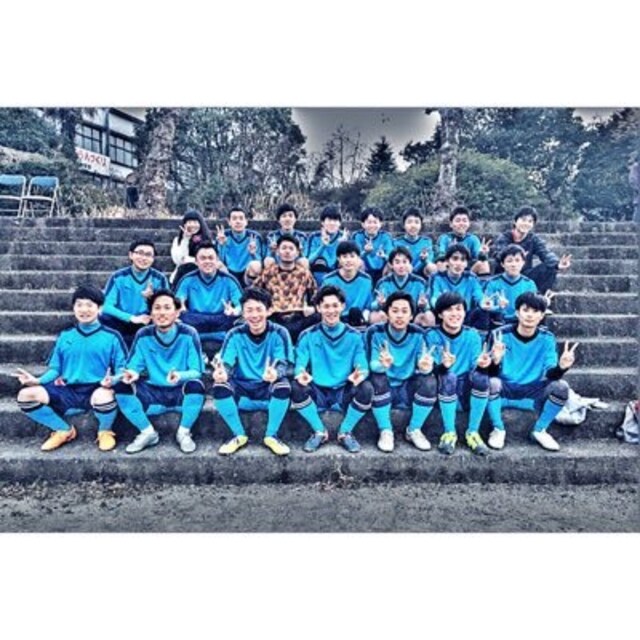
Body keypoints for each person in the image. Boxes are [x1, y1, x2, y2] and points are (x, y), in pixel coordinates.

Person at [15, 285, 127, 452]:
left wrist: (112, 380)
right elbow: (55, 369)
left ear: (100, 308)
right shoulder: (65, 336)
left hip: (97, 388)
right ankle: (63, 430)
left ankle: (105, 431)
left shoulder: (112, 336)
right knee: (25, 395)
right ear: (73, 308)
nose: (84, 310)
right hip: (67, 389)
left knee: (104, 397)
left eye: (89, 305)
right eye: (79, 305)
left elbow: (122, 369)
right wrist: (37, 381)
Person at [114, 290, 206, 454]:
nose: (162, 312)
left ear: (177, 312)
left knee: (196, 386)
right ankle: (147, 432)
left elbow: (197, 370)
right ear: (150, 313)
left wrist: (180, 375)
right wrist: (132, 373)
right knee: (122, 387)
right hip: (152, 390)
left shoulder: (189, 333)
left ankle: (184, 432)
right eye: (157, 308)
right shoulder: (143, 334)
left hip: (179, 389)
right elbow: (134, 365)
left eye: (167, 308)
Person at [486, 291, 577, 452]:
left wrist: (561, 367)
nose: (530, 315)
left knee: (561, 387)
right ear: (517, 313)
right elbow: (489, 372)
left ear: (542, 316)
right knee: (491, 383)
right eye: (525, 310)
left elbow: (550, 374)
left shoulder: (547, 338)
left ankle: (540, 430)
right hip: (505, 386)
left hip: (533, 387)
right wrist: (496, 360)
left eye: (535, 311)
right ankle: (498, 429)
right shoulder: (499, 334)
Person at [211, 288, 294, 456]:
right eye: (249, 310)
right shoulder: (234, 334)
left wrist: (275, 373)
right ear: (243, 312)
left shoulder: (280, 332)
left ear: (269, 311)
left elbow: (284, 363)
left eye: (259, 309)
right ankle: (238, 435)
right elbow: (227, 362)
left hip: (267, 384)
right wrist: (223, 373)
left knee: (283, 386)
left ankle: (271, 436)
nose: (254, 315)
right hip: (242, 386)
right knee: (219, 387)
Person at [291, 285, 374, 453]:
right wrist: (301, 373)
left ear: (342, 306)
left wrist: (361, 373)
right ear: (318, 308)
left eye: (335, 305)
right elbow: (300, 363)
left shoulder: (355, 336)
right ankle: (319, 431)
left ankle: (345, 432)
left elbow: (362, 363)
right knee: (295, 387)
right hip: (318, 390)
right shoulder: (308, 335)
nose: (331, 311)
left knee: (366, 388)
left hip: (343, 390)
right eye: (326, 306)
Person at [423, 292, 493, 456]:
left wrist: (483, 364)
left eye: (459, 309)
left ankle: (473, 432)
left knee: (482, 377)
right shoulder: (431, 335)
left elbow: (475, 366)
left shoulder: (472, 335)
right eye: (449, 310)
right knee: (449, 376)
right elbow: (430, 369)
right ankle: (449, 432)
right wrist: (443, 366)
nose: (455, 313)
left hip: (466, 390)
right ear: (440, 314)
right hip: (441, 390)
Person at [366, 292, 436, 452]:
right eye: (395, 311)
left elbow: (423, 361)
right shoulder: (375, 332)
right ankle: (385, 430)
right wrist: (382, 364)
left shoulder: (418, 334)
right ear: (387, 313)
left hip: (407, 386)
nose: (399, 315)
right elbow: (372, 364)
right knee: (377, 378)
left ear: (411, 316)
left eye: (404, 311)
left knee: (430, 381)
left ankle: (414, 429)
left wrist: (425, 367)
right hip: (384, 386)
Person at [100, 239, 169, 347]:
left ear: (153, 258)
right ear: (131, 255)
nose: (144, 258)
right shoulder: (118, 277)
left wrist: (151, 299)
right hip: (122, 320)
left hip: (146, 321)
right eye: (140, 253)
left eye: (148, 255)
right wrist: (131, 318)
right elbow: (106, 306)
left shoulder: (159, 278)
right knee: (103, 318)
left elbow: (167, 305)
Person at [253, 234, 319, 342]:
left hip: (298, 316)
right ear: (277, 251)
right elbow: (253, 292)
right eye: (283, 248)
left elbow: (316, 295)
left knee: (319, 316)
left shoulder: (304, 273)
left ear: (297, 253)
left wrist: (313, 308)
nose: (287, 251)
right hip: (275, 317)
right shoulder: (269, 272)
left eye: (291, 248)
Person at [492, 205, 571, 293]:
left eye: (530, 221)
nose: (526, 223)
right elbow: (499, 255)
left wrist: (557, 264)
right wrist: (516, 256)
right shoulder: (504, 238)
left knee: (550, 267)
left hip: (525, 275)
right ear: (515, 221)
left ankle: (538, 296)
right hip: (505, 275)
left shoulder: (533, 239)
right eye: (523, 220)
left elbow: (545, 253)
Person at [175, 242, 242, 345]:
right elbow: (177, 302)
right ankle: (214, 336)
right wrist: (181, 308)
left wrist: (234, 311)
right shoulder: (187, 279)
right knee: (180, 319)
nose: (207, 261)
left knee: (239, 320)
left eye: (211, 258)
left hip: (221, 318)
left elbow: (241, 304)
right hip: (195, 319)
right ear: (196, 261)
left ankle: (202, 337)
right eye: (203, 258)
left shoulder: (228, 280)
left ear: (217, 260)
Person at [428, 244, 489, 328]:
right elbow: (434, 298)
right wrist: (447, 308)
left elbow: (479, 295)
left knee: (482, 311)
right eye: (455, 259)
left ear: (466, 264)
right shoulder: (437, 277)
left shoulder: (471, 278)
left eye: (463, 260)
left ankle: (480, 335)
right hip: (445, 315)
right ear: (447, 261)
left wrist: (483, 302)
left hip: (465, 316)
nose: (459, 263)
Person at [370, 246, 431, 326]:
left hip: (413, 318)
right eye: (397, 262)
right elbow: (372, 305)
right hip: (390, 319)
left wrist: (424, 305)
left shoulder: (420, 282)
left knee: (428, 315)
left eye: (404, 262)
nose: (401, 266)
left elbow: (428, 307)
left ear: (410, 263)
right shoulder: (383, 282)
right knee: (375, 315)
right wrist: (379, 304)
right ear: (391, 265)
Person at [480, 244, 537, 329]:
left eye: (517, 260)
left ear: (523, 263)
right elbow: (486, 306)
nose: (514, 264)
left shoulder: (529, 284)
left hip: (521, 324)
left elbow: (533, 309)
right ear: (502, 264)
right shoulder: (493, 283)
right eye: (509, 261)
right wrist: (499, 307)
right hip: (498, 324)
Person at [322, 240, 373, 327]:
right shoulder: (328, 280)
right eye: (344, 257)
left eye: (352, 256)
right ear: (339, 259)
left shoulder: (366, 280)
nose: (348, 260)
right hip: (335, 317)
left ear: (358, 258)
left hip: (357, 318)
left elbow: (368, 306)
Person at [215, 205, 265, 285]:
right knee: (217, 264)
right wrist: (222, 246)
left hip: (247, 274)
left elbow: (259, 263)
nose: (238, 221)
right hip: (228, 273)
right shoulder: (223, 236)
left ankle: (253, 290)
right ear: (229, 222)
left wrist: (253, 253)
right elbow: (219, 260)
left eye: (241, 218)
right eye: (234, 218)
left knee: (255, 265)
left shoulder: (255, 237)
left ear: (246, 221)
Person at [435, 206, 491, 275]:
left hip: (468, 271)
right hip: (450, 271)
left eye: (464, 221)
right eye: (458, 221)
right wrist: (453, 252)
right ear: (451, 224)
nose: (461, 223)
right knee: (440, 263)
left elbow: (478, 256)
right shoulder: (444, 238)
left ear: (469, 223)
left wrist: (483, 254)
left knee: (483, 263)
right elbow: (440, 254)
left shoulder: (473, 239)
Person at [169, 209, 213, 286]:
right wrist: (185, 239)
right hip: (182, 276)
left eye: (195, 222)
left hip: (203, 276)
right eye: (189, 222)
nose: (192, 225)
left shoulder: (207, 240)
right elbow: (179, 260)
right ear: (184, 224)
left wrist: (191, 260)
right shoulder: (178, 240)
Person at [351, 206, 394, 284]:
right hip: (364, 270)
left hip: (382, 271)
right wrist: (365, 252)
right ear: (363, 224)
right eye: (369, 222)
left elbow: (391, 256)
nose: (372, 225)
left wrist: (384, 256)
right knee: (358, 262)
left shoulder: (386, 236)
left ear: (380, 224)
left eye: (375, 222)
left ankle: (386, 286)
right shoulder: (357, 236)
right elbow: (353, 257)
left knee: (391, 264)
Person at [306, 204, 347, 285]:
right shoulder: (314, 237)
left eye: (335, 220)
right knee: (320, 262)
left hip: (337, 271)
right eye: (329, 220)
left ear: (339, 223)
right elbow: (308, 261)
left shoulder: (344, 237)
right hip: (318, 272)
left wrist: (342, 246)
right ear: (322, 222)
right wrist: (323, 246)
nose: (332, 223)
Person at [393, 206, 437, 278]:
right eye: (409, 222)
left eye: (417, 222)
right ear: (404, 225)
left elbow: (430, 262)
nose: (413, 226)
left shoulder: (426, 242)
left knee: (432, 268)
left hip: (423, 274)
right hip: (403, 274)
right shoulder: (397, 242)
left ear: (421, 225)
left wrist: (424, 260)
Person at [264, 203, 308, 267]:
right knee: (269, 260)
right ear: (279, 220)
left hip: (296, 267)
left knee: (304, 261)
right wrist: (272, 251)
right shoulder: (272, 236)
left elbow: (306, 257)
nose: (287, 219)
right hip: (276, 267)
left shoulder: (302, 236)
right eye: (284, 216)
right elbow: (266, 256)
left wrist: (300, 252)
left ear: (295, 219)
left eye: (290, 216)